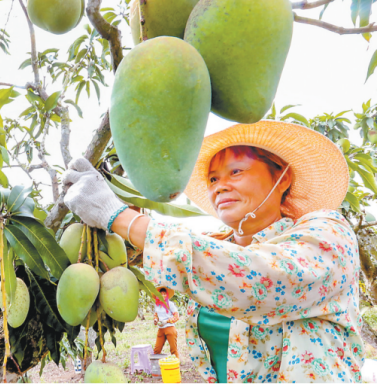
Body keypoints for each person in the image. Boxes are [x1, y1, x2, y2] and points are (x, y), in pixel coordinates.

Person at [63, 120, 363, 383]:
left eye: (236, 171)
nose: (220, 187)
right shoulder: (217, 243)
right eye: (213, 179)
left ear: (282, 177)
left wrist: (118, 216)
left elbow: (258, 279)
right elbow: (189, 253)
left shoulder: (328, 234)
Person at [153, 286, 179, 358]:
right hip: (161, 329)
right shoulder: (157, 305)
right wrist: (155, 320)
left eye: (164, 294)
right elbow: (156, 315)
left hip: (170, 328)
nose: (163, 295)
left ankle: (176, 366)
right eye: (161, 294)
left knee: (173, 350)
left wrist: (167, 321)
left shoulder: (170, 304)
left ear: (166, 295)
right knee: (156, 350)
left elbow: (176, 316)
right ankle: (156, 366)